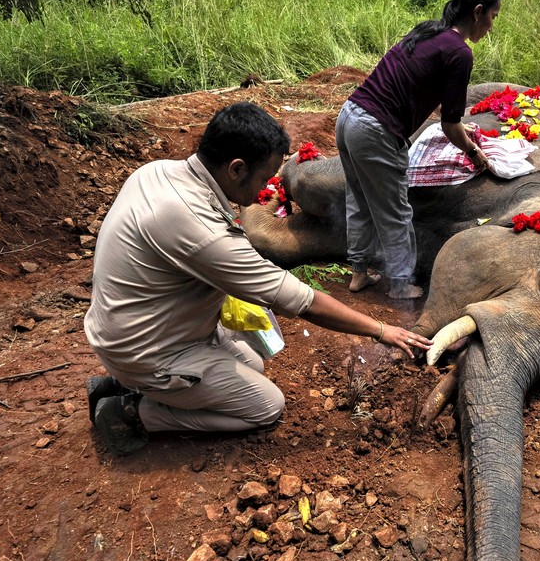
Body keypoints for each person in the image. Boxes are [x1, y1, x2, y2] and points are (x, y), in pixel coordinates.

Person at [84, 102, 432, 455]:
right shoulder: (202, 233)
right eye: (264, 179)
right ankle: (132, 411)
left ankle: (126, 383)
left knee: (252, 362)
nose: (265, 189)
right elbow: (300, 300)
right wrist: (381, 329)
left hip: (127, 326)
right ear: (236, 169)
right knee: (265, 407)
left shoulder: (157, 172)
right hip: (144, 349)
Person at [337, 0, 501, 300]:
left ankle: (358, 273)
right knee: (396, 210)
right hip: (375, 132)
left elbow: (427, 92)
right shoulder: (460, 53)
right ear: (478, 11)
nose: (492, 27)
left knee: (359, 201)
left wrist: (457, 124)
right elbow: (450, 126)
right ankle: (400, 285)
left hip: (348, 118)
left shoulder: (429, 31)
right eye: (493, 18)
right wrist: (472, 151)